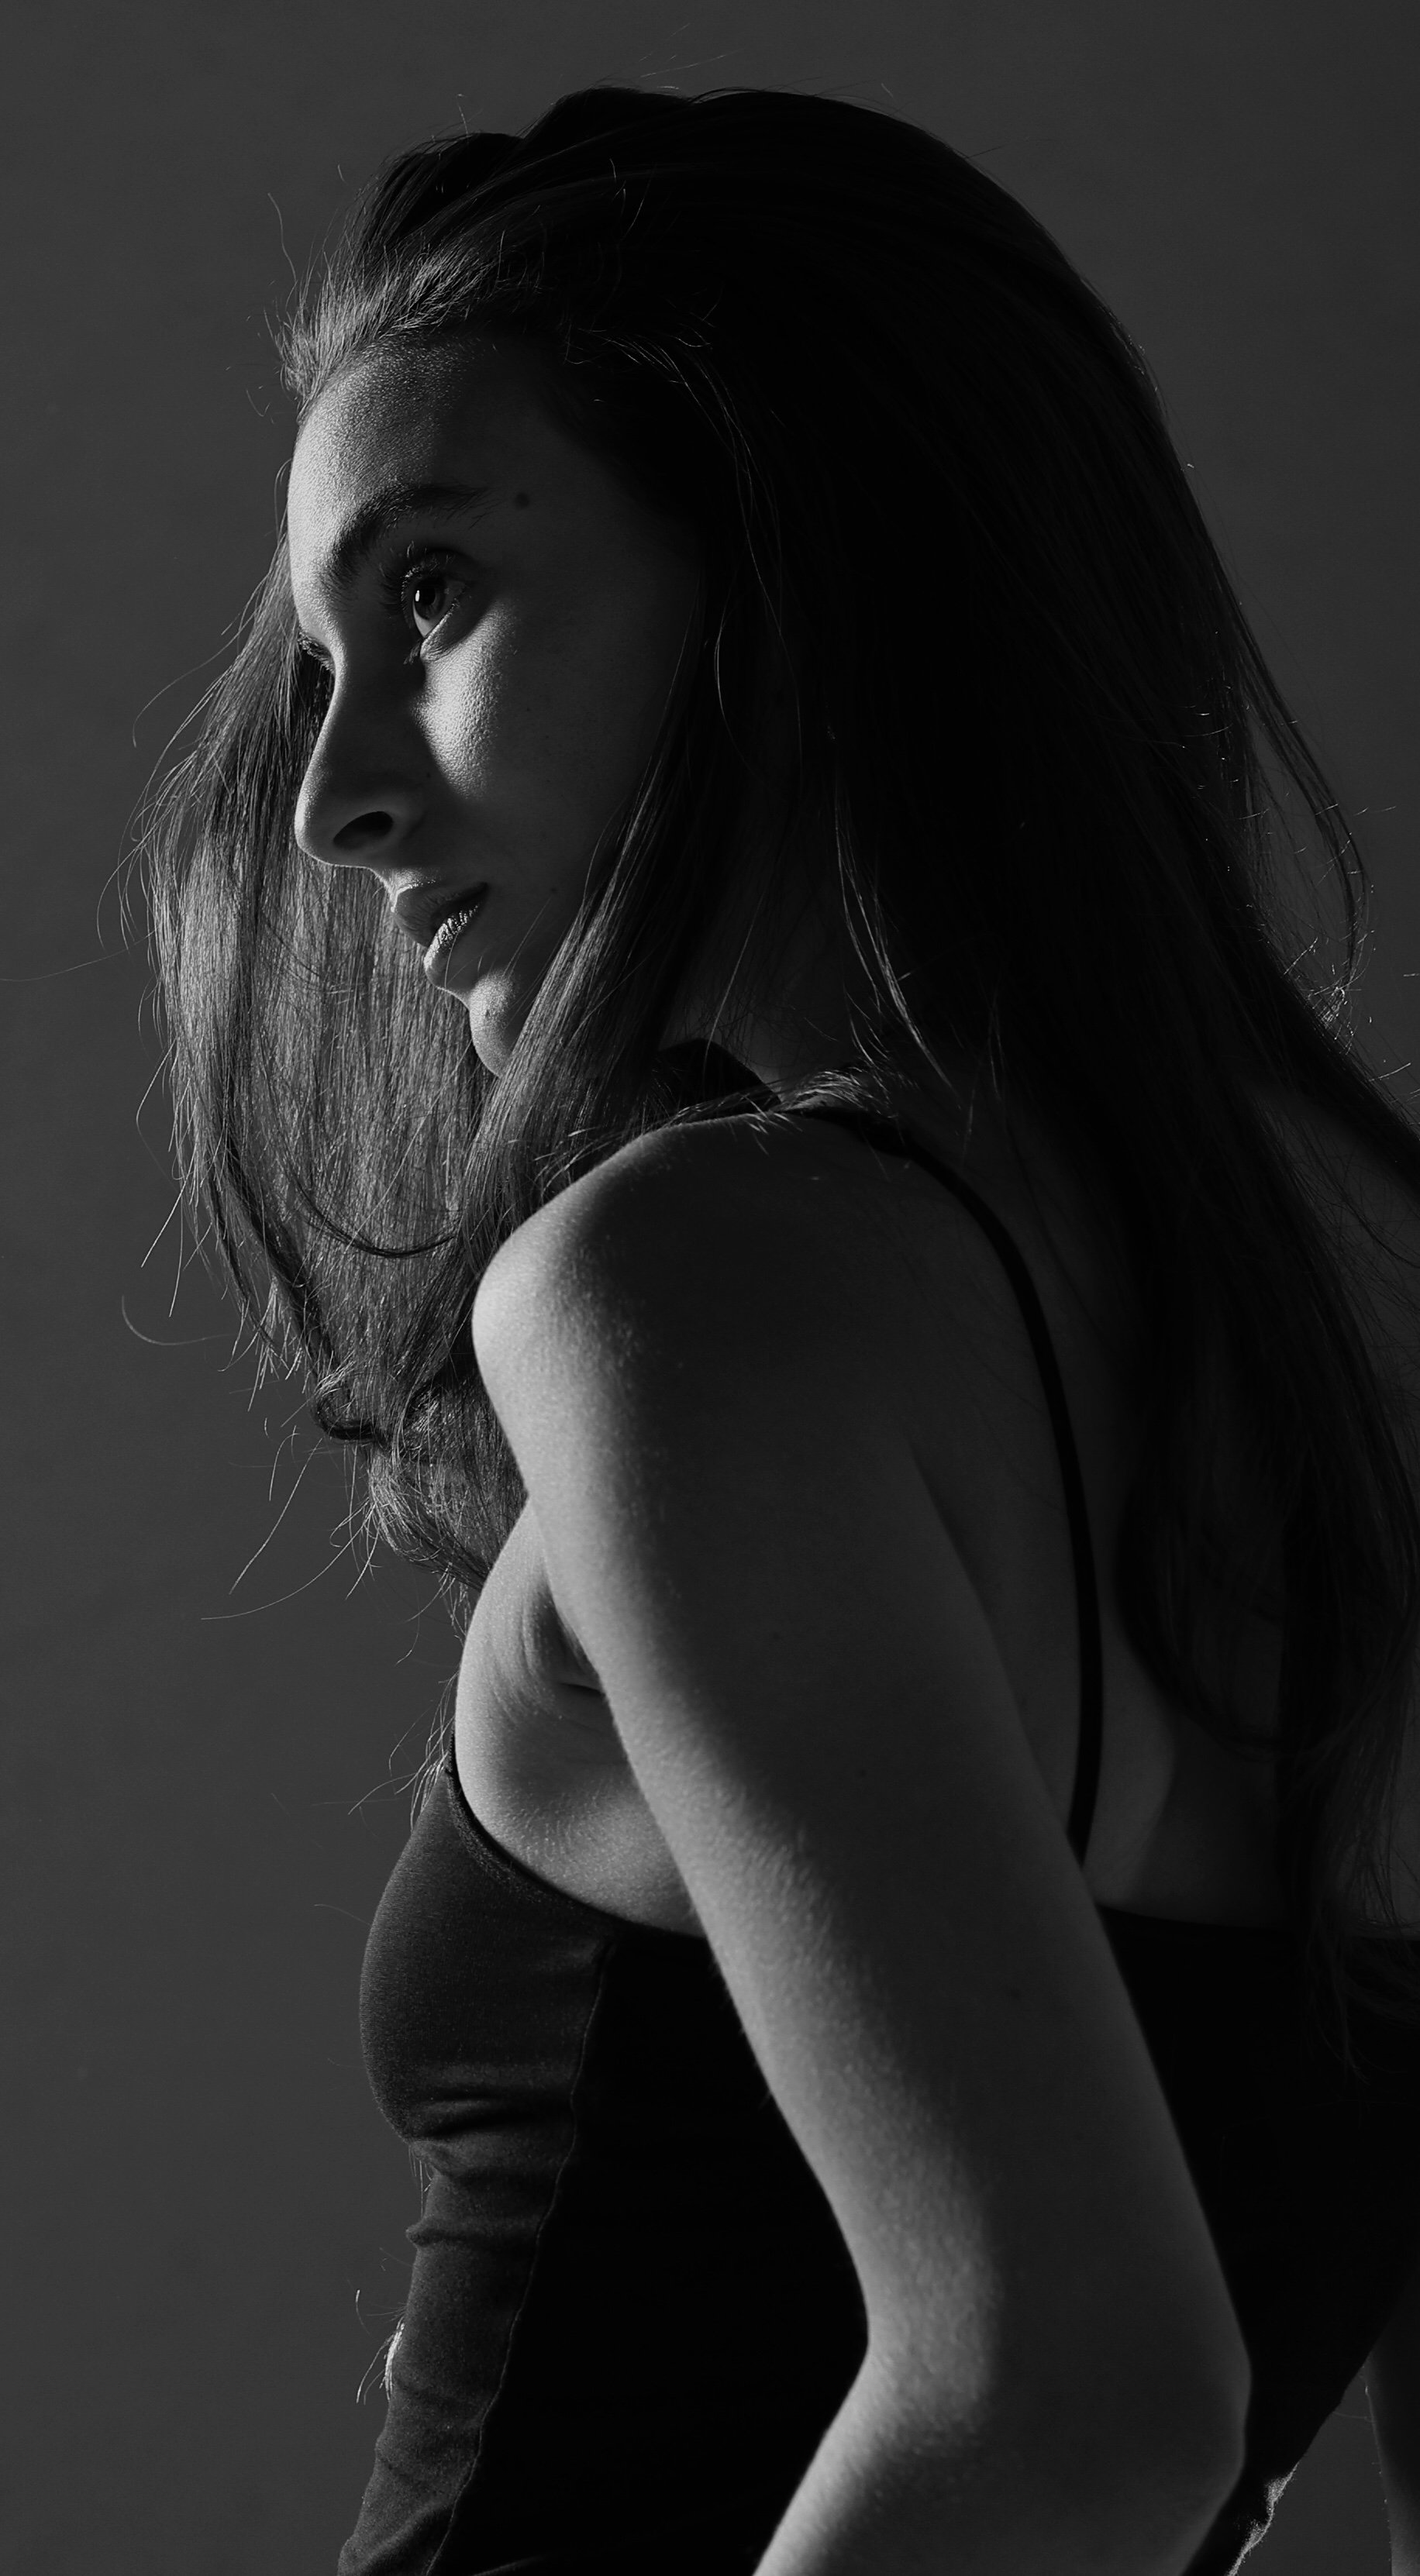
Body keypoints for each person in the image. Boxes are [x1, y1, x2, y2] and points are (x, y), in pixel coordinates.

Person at [144, 84, 1420, 2576]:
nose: (332, 802)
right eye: (322, 661)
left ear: (794, 556)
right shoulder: (1380, 1286)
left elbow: (1076, 2400)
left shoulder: (683, 1287)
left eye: (432, 594)